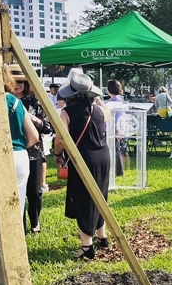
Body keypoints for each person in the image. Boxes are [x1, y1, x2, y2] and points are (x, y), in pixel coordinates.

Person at [54, 68, 111, 259]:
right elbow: (108, 112)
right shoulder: (100, 110)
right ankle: (102, 237)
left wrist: (57, 155)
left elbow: (60, 139)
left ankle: (87, 247)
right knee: (100, 195)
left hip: (82, 158)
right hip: (103, 156)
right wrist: (96, 99)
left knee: (82, 199)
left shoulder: (66, 112)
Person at [12, 70, 51, 233]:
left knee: (34, 191)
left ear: (26, 84)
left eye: (20, 82)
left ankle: (35, 223)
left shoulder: (34, 100)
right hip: (13, 152)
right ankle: (19, 226)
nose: (17, 85)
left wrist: (29, 117)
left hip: (34, 152)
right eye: (14, 81)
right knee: (15, 192)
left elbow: (47, 127)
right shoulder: (5, 100)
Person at [3, 64, 39, 216]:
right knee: (17, 206)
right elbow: (34, 137)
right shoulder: (16, 102)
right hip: (19, 155)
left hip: (1, 157)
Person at [106, 79, 125, 176]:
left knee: (115, 149)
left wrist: (117, 130)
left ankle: (119, 171)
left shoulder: (115, 100)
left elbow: (118, 116)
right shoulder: (119, 99)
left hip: (114, 128)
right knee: (116, 149)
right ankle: (118, 170)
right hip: (116, 127)